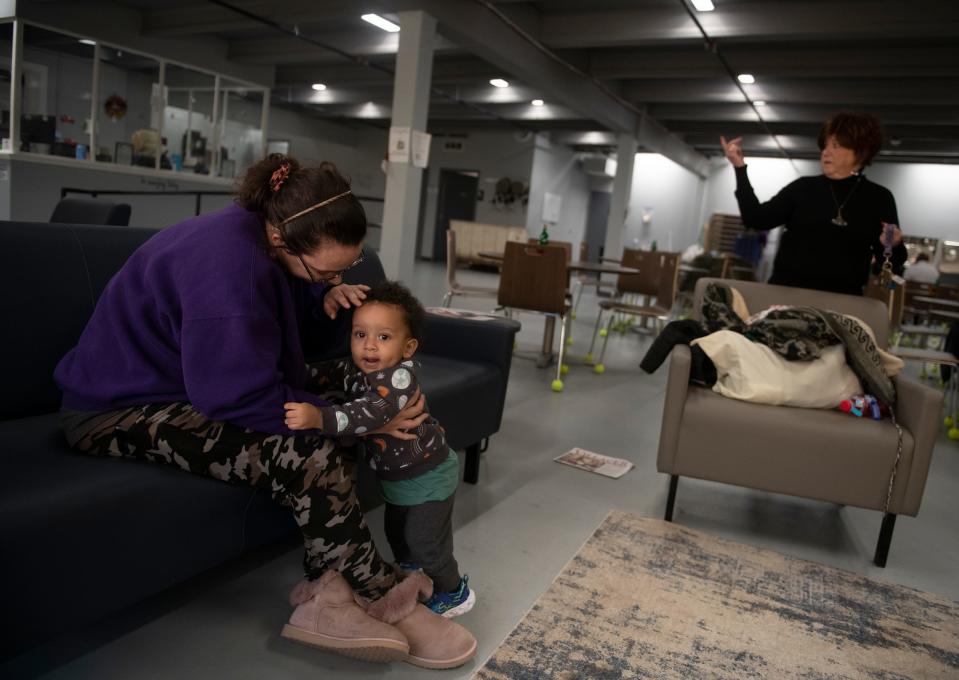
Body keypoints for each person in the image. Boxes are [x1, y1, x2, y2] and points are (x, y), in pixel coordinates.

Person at [53, 154, 477, 668]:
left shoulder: (263, 238)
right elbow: (234, 395)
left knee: (358, 384)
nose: (338, 275)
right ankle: (381, 595)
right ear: (282, 238)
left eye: (347, 266)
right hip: (119, 409)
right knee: (308, 445)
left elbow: (274, 334)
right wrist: (346, 422)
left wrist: (323, 301)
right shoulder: (228, 270)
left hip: (194, 380)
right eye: (329, 270)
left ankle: (330, 593)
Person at [285, 281, 476, 618]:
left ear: (408, 347)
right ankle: (412, 572)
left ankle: (453, 592)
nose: (369, 347)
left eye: (383, 337)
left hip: (429, 475)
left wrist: (319, 417)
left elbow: (364, 415)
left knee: (426, 544)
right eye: (360, 335)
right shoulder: (359, 369)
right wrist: (294, 375)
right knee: (398, 536)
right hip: (397, 478)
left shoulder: (397, 379)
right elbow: (328, 373)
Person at [720, 112, 908, 295]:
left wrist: (893, 244)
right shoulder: (802, 188)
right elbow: (755, 219)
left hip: (843, 304)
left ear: (860, 152)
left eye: (836, 146)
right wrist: (739, 167)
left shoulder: (879, 198)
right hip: (785, 295)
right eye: (825, 145)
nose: (826, 152)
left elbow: (887, 263)